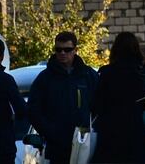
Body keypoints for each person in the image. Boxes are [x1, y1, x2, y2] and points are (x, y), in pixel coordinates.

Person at [28, 30, 100, 164]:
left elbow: (100, 105)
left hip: (83, 144)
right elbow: (33, 110)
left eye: (67, 49)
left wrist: (89, 129)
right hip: (57, 148)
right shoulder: (45, 78)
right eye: (58, 49)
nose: (62, 53)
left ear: (75, 50)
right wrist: (50, 133)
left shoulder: (88, 76)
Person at [91, 32, 145, 164]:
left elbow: (96, 104)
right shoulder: (140, 73)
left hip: (110, 134)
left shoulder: (107, 73)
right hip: (134, 133)